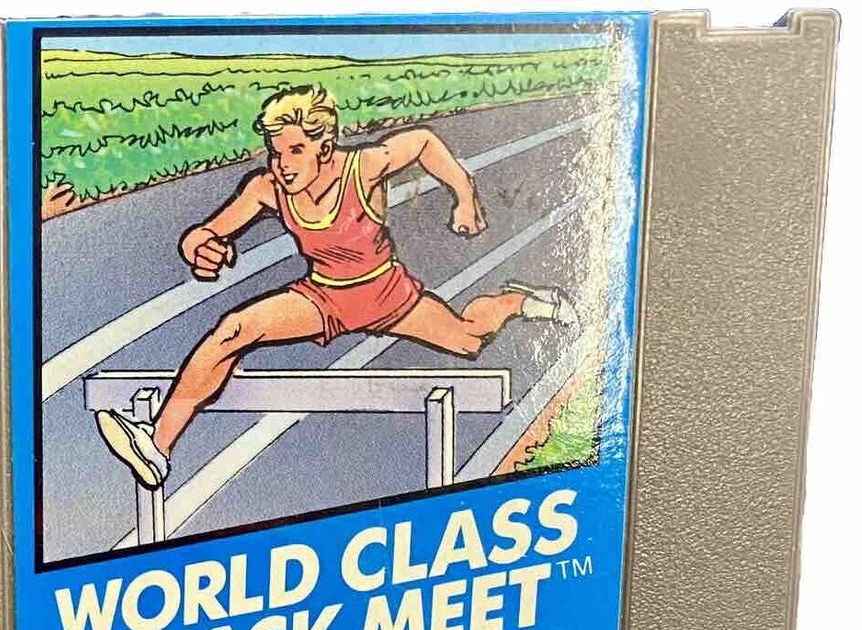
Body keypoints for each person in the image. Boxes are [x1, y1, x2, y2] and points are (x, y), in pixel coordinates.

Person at [95, 84, 576, 489]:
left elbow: (424, 142)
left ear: (324, 147)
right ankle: (156, 446)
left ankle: (517, 300)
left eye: (295, 151)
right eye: (276, 152)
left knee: (469, 339)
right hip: (325, 298)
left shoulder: (362, 167)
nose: (283, 164)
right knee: (235, 329)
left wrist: (464, 196)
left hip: (386, 293)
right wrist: (199, 247)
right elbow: (206, 233)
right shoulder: (266, 188)